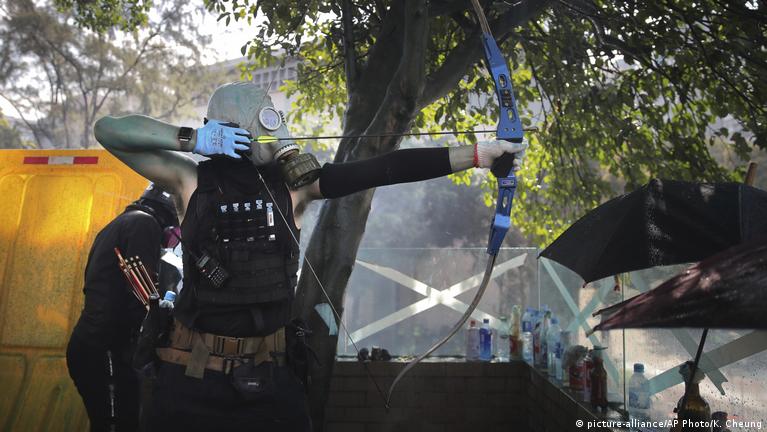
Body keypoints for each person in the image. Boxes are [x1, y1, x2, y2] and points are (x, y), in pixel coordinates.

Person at [93, 81, 526, 432]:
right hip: (191, 380)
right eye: (262, 119)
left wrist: (477, 155)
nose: (273, 127)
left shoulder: (295, 188)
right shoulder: (189, 180)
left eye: (272, 117)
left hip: (270, 382)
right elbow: (109, 131)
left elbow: (384, 168)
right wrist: (191, 138)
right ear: (226, 129)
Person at [66, 185, 179, 432]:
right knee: (118, 425)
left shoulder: (121, 223)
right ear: (168, 212)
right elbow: (142, 294)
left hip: (94, 344)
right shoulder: (144, 224)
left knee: (110, 422)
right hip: (106, 348)